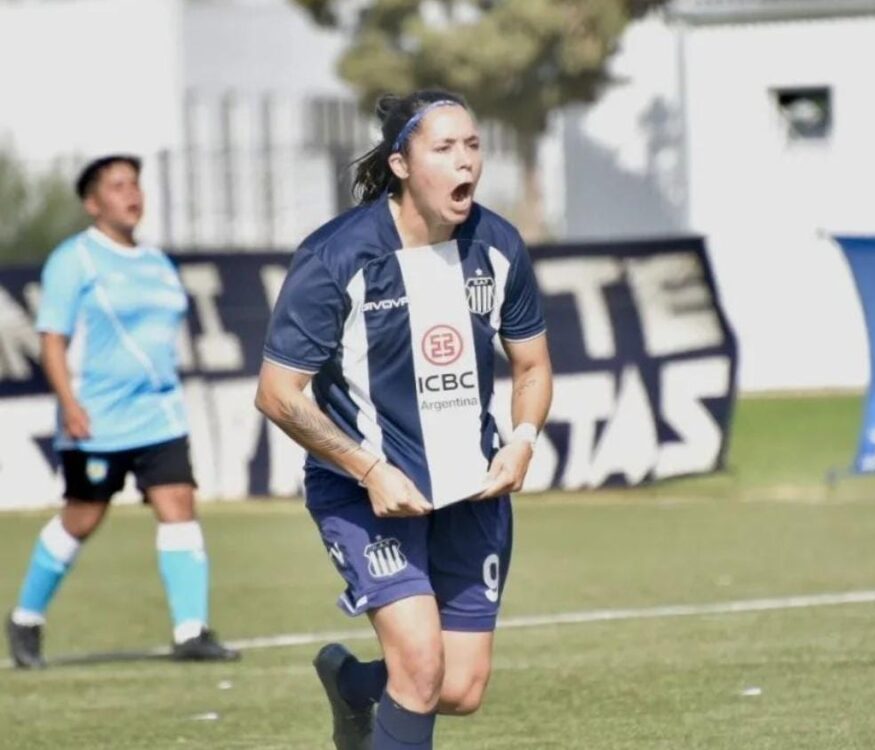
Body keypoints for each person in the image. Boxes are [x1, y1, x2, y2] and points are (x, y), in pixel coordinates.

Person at [255, 90, 553, 750]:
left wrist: (523, 440)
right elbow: (278, 394)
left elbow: (532, 366)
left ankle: (354, 685)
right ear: (401, 165)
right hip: (364, 493)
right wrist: (369, 469)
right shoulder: (336, 258)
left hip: (471, 490)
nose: (465, 161)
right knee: (419, 669)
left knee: (459, 688)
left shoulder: (498, 245)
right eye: (443, 148)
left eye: (472, 145)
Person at [5, 155, 238, 668]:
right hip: (98, 417)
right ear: (93, 204)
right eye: (117, 186)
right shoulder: (75, 260)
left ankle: (191, 631)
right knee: (82, 517)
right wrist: (69, 404)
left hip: (160, 415)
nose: (131, 194)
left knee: (178, 503)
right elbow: (52, 339)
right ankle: (25, 617)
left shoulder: (157, 263)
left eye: (134, 184)